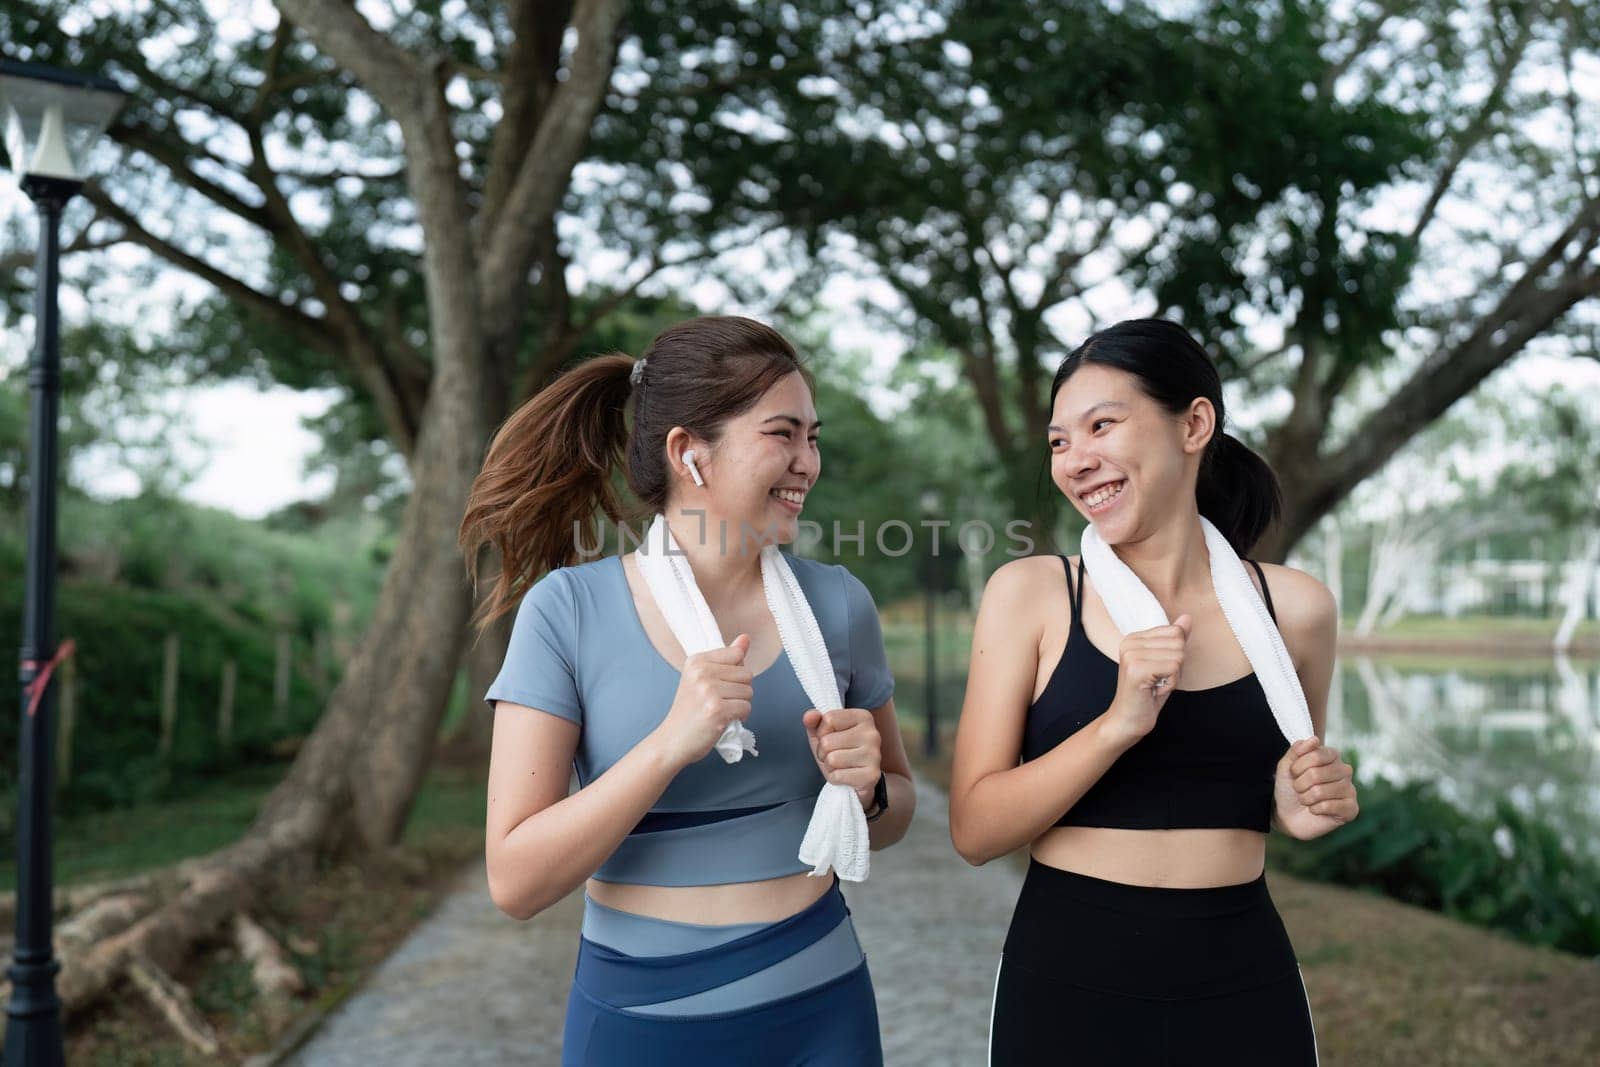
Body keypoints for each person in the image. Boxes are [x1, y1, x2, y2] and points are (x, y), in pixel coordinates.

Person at [459, 315, 915, 1066]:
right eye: (783, 434)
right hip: (643, 1023)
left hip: (824, 1011)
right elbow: (515, 881)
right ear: (688, 452)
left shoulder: (838, 604)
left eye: (814, 436)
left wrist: (869, 791)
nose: (809, 462)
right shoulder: (569, 610)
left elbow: (896, 811)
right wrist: (669, 744)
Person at [949, 318, 1358, 1065]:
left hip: (1242, 975)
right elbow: (975, 829)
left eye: (1102, 424)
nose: (1076, 460)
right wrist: (1116, 723)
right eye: (1060, 441)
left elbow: (1280, 790)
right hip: (1069, 977)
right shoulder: (1034, 595)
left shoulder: (1296, 611)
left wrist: (1294, 803)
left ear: (1194, 423)